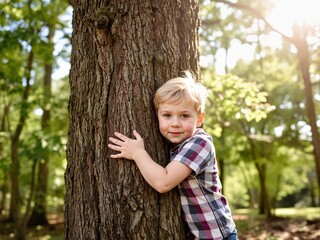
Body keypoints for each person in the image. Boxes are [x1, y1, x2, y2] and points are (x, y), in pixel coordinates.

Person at [108, 71, 238, 240]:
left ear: (199, 119)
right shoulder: (175, 145)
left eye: (184, 116)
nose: (175, 123)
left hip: (217, 235)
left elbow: (163, 182)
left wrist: (137, 152)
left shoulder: (200, 144)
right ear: (157, 116)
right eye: (167, 115)